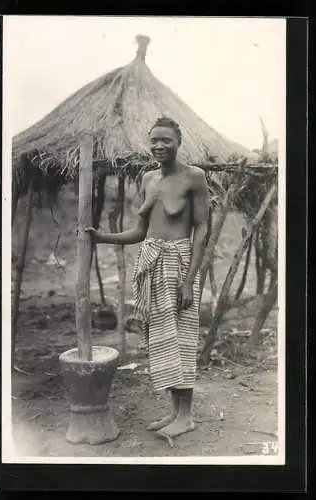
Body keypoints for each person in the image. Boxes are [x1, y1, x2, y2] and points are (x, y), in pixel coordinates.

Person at [85, 116, 210, 441]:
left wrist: (188, 280)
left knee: (181, 338)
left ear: (178, 141)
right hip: (151, 266)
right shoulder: (148, 178)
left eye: (166, 140)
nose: (159, 145)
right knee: (161, 340)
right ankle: (173, 411)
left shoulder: (194, 177)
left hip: (179, 264)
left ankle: (186, 416)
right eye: (154, 139)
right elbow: (141, 231)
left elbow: (202, 231)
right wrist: (103, 238)